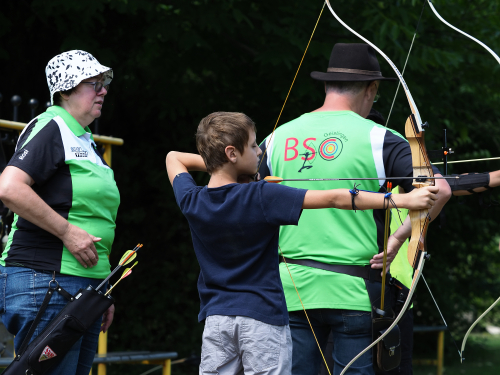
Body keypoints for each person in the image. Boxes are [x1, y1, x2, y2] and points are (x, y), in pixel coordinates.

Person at [166, 111, 439, 375]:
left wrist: (223, 167)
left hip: (217, 321)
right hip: (262, 321)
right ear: (232, 153)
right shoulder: (261, 195)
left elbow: (173, 158)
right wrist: (401, 200)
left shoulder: (192, 199)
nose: (259, 152)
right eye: (252, 146)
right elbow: (335, 198)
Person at [258, 43, 452, 375]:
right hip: (355, 293)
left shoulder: (276, 139)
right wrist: (399, 238)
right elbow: (440, 190)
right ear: (371, 89)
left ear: (327, 85)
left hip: (290, 291)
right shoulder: (381, 139)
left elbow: (247, 201)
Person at [0, 50, 120, 375]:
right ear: (66, 90)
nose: (103, 90)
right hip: (47, 281)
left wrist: (100, 289)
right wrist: (67, 232)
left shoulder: (86, 139)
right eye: (93, 83)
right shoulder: (53, 125)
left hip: (81, 288)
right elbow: (9, 187)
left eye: (104, 83)